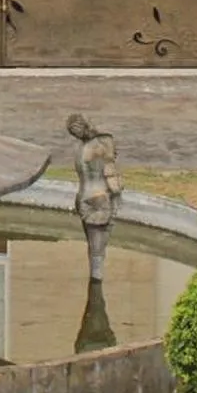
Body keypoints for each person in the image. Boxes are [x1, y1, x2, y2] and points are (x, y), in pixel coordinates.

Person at [66, 112, 122, 283]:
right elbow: (111, 175)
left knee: (93, 247)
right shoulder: (99, 147)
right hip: (99, 199)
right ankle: (96, 286)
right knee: (98, 250)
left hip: (84, 196)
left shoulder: (80, 148)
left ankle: (94, 288)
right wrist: (117, 194)